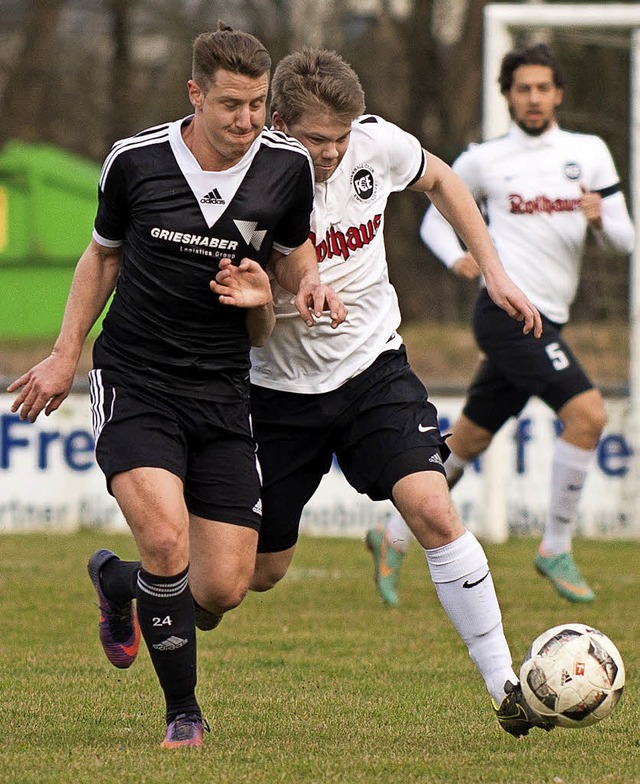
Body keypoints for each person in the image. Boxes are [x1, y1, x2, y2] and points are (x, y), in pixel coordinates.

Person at [7, 24, 345, 749]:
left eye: (257, 105)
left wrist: (301, 283)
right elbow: (99, 260)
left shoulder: (285, 165)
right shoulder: (135, 162)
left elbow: (290, 254)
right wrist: (66, 356)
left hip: (224, 388)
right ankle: (182, 713)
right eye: (230, 105)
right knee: (166, 539)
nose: (246, 121)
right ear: (195, 93)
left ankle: (117, 582)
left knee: (223, 586)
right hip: (137, 378)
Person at [230, 46, 551, 738]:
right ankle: (141, 584)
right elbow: (274, 271)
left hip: (373, 366)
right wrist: (293, 287)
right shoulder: (243, 180)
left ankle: (507, 687)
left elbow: (444, 182)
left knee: (434, 510)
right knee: (252, 576)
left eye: (341, 139)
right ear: (279, 123)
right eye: (317, 140)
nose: (332, 153)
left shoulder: (374, 145)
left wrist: (493, 270)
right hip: (277, 392)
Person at [409, 42, 635, 605]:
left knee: (467, 440)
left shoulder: (590, 153)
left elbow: (625, 241)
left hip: (551, 317)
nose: (533, 98)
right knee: (588, 414)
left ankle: (388, 533)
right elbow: (434, 217)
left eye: (542, 88)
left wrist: (600, 217)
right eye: (522, 88)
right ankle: (554, 545)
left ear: (558, 93)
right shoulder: (486, 159)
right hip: (507, 314)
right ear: (507, 95)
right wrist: (456, 257)